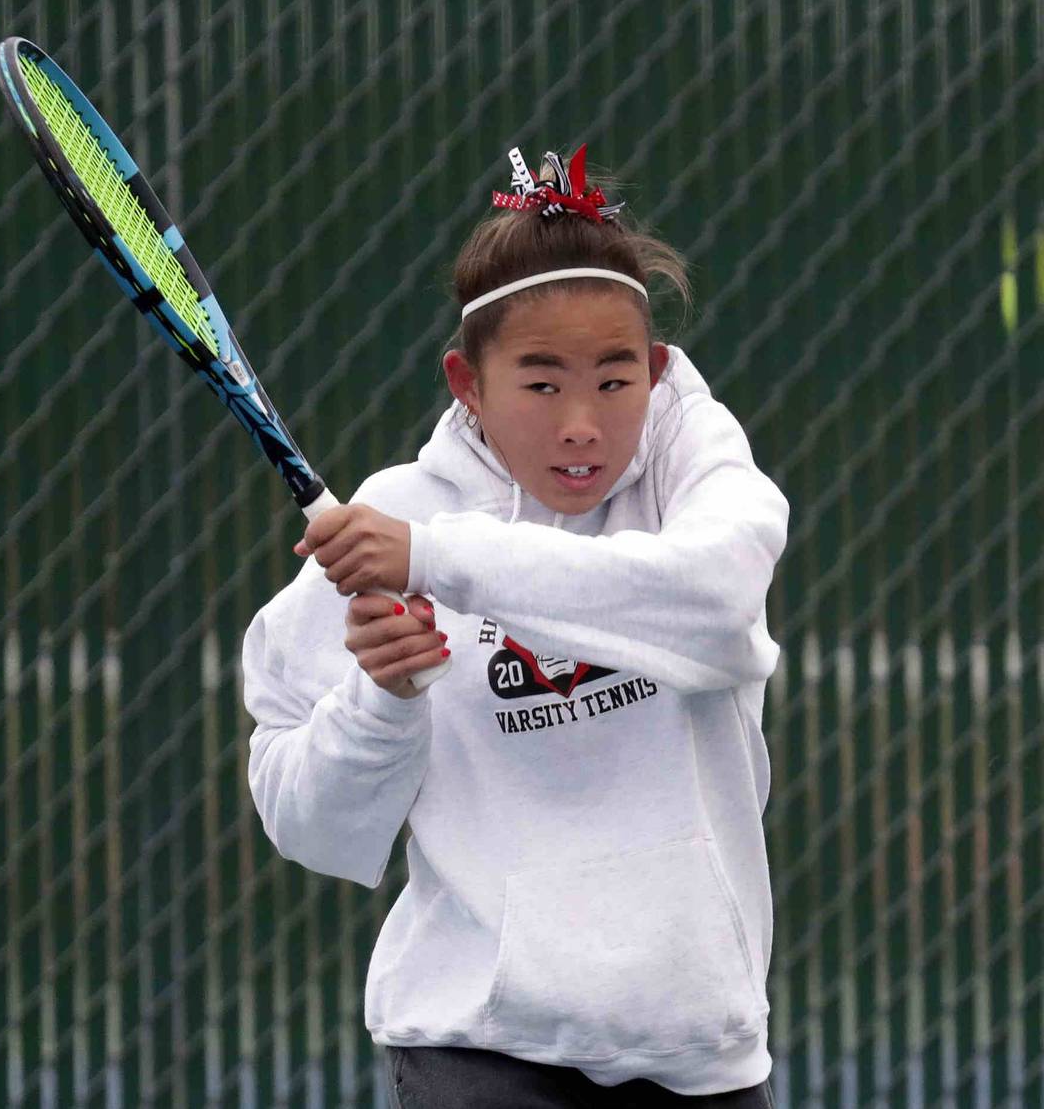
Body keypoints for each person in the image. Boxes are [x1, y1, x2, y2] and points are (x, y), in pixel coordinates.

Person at [241, 144, 789, 1108]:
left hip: (702, 1048)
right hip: (479, 1047)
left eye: (614, 382)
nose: (581, 422)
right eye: (541, 384)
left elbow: (715, 603)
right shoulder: (398, 509)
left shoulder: (695, 478)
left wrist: (439, 558)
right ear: (467, 382)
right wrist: (382, 700)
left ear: (656, 373)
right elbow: (310, 825)